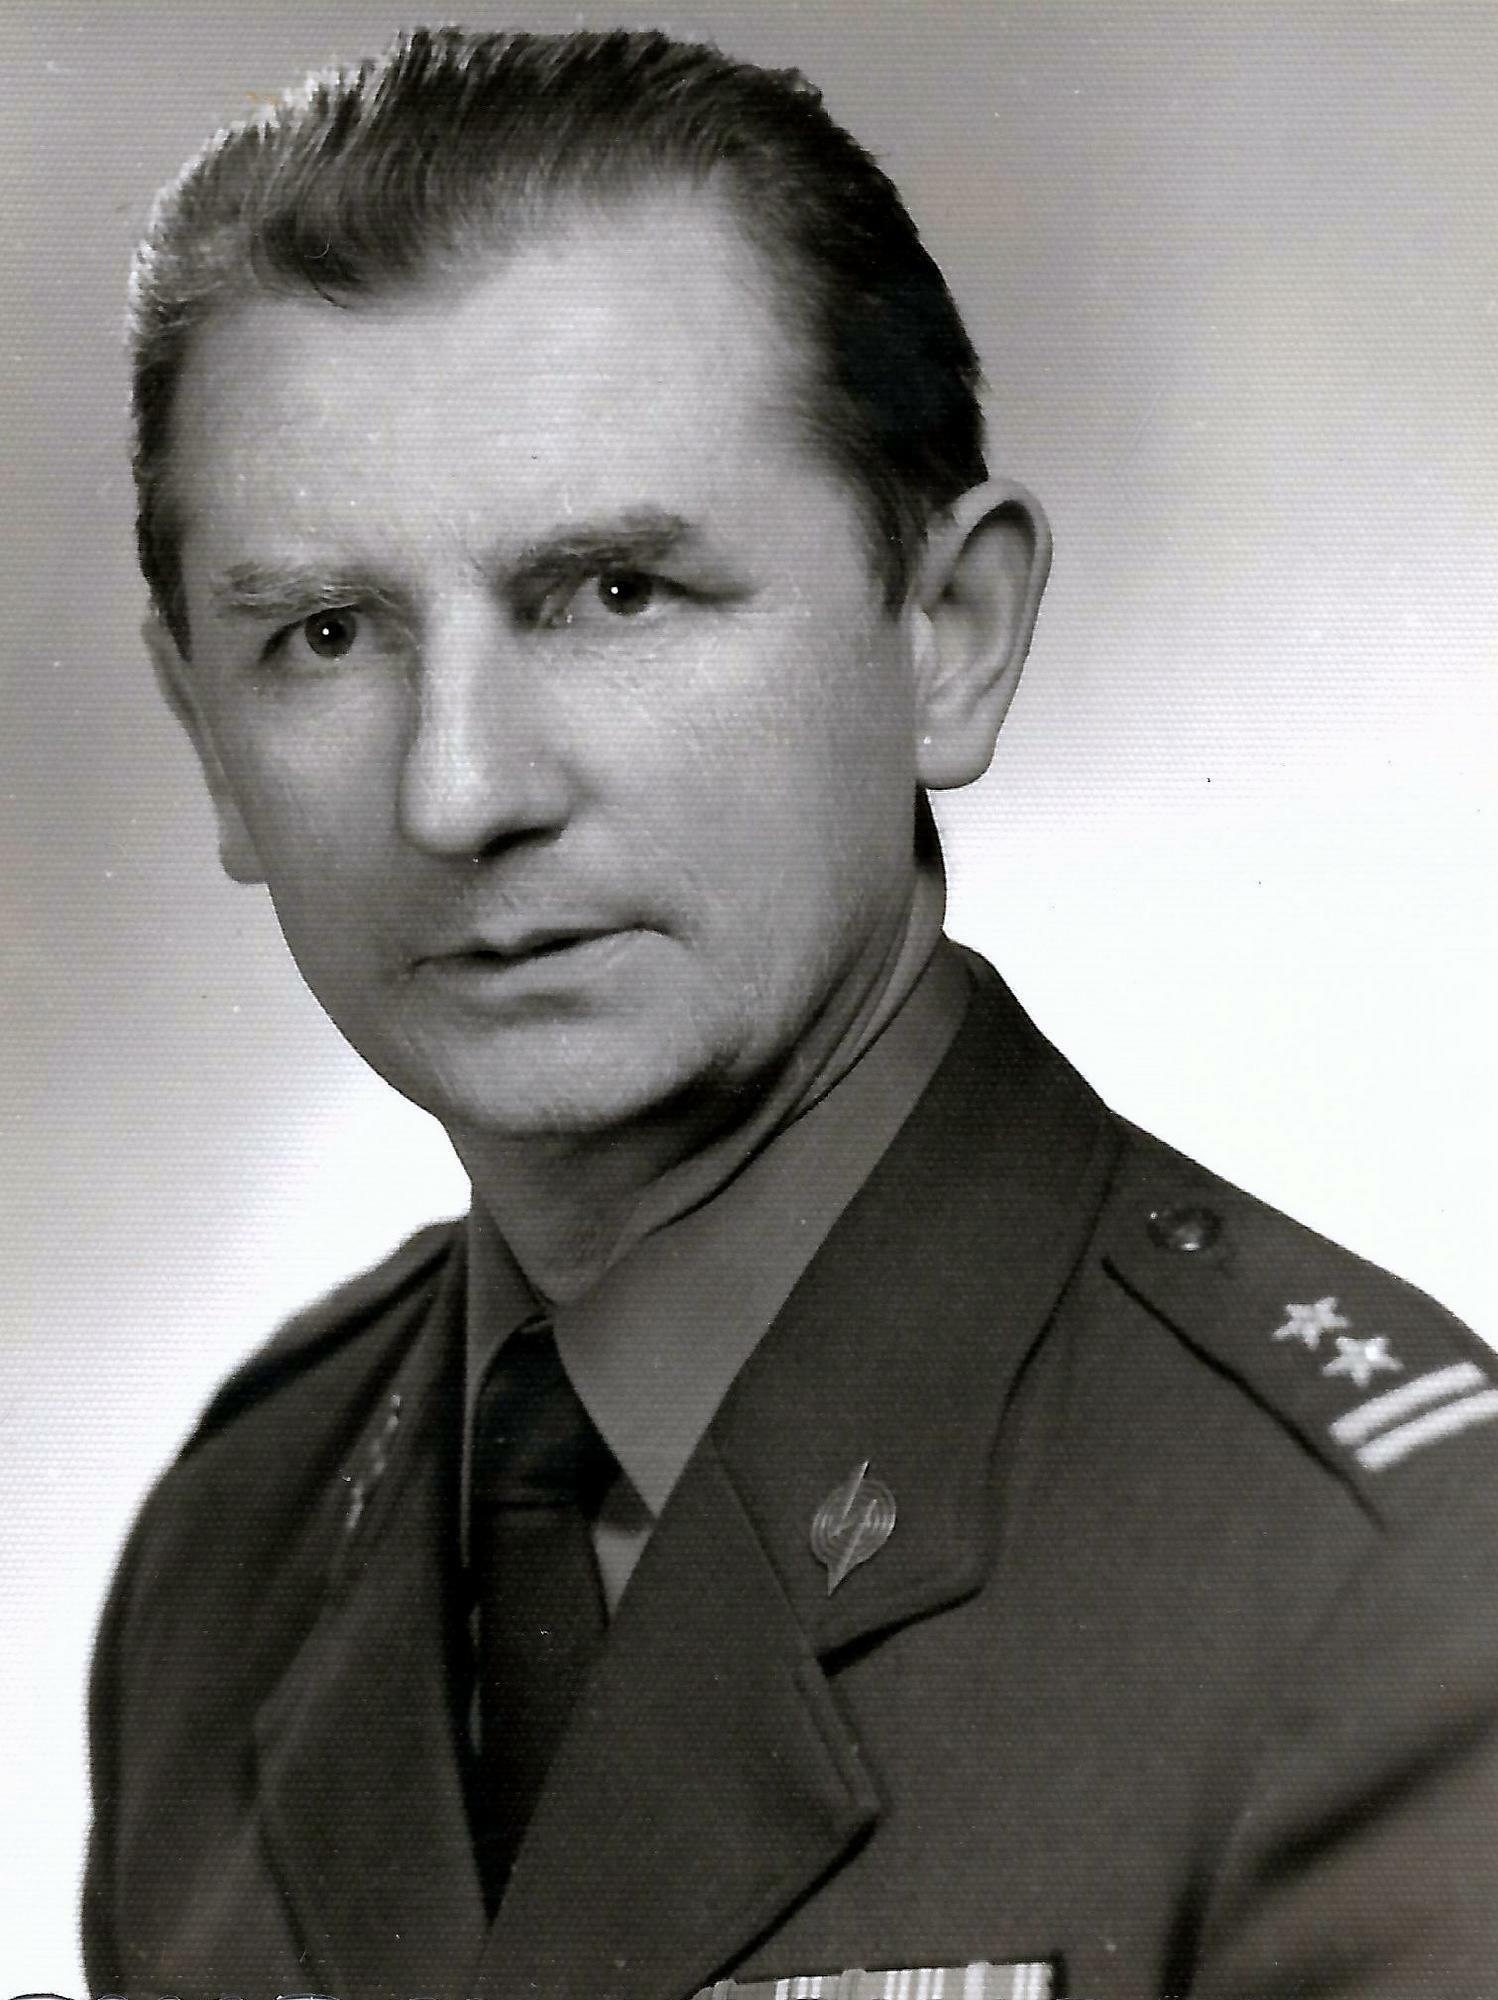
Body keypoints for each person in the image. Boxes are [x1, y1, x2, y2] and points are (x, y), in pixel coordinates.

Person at [83, 25, 1498, 2000]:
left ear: (948, 638)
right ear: (209, 745)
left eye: (612, 593)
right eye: (324, 636)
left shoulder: (1387, 1589)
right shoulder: (234, 1548)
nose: (460, 790)